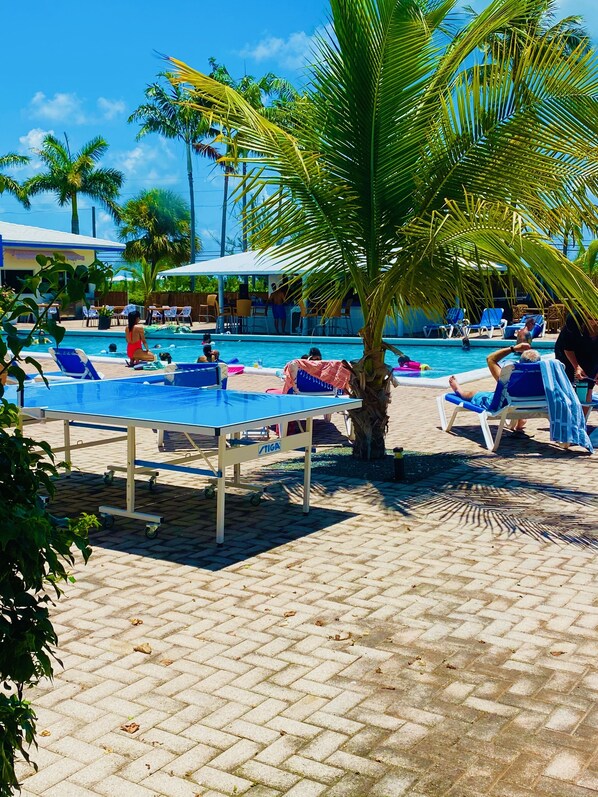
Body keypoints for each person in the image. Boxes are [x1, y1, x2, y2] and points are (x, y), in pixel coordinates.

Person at [449, 342, 540, 432]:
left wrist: (513, 348)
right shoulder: (544, 377)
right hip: (533, 406)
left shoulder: (511, 377)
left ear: (520, 363)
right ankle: (521, 419)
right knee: (520, 395)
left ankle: (459, 391)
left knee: (475, 394)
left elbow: (490, 359)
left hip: (505, 405)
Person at [555, 314, 598, 408]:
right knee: (567, 382)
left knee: (589, 384)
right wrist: (576, 366)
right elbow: (568, 347)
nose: (594, 321)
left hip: (592, 349)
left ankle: (583, 421)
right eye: (591, 318)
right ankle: (569, 417)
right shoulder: (574, 320)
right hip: (567, 350)